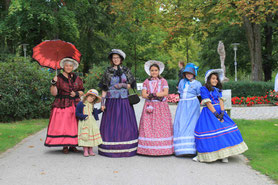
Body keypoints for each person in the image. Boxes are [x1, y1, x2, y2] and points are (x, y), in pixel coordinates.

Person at [194, 69, 248, 163]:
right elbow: (208, 103)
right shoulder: (204, 89)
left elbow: (221, 101)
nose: (215, 80)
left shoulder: (218, 89)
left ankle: (224, 154)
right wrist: (215, 114)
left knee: (225, 129)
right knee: (207, 131)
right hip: (209, 113)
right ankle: (205, 155)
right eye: (213, 78)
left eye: (216, 79)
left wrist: (222, 112)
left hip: (220, 112)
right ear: (208, 80)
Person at [98, 49, 138, 157]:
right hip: (112, 101)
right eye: (114, 58)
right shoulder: (108, 72)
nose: (115, 59)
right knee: (111, 124)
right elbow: (104, 89)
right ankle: (110, 147)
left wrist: (122, 85)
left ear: (121, 59)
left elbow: (131, 85)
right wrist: (102, 103)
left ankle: (127, 147)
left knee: (125, 123)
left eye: (117, 58)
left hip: (124, 100)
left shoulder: (126, 71)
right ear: (111, 59)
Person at [45, 58, 84, 154]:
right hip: (62, 103)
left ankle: (73, 145)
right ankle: (65, 145)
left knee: (75, 124)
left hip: (75, 103)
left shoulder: (77, 78)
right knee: (65, 124)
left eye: (70, 66)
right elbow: (54, 93)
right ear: (63, 67)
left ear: (73, 67)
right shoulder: (58, 78)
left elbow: (82, 91)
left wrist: (76, 93)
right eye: (66, 65)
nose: (68, 67)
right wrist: (53, 83)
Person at [137, 60, 174, 156]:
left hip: (161, 106)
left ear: (159, 71)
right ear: (149, 71)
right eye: (152, 70)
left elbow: (165, 93)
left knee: (161, 125)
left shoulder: (163, 81)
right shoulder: (146, 81)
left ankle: (163, 148)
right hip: (150, 105)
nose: (154, 72)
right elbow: (144, 95)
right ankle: (148, 148)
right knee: (148, 125)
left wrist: (154, 94)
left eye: (156, 70)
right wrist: (152, 95)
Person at [173, 63, 202, 156]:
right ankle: (180, 149)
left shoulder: (197, 84)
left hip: (192, 105)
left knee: (191, 124)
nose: (188, 75)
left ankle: (191, 149)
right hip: (182, 105)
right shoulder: (182, 82)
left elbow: (199, 97)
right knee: (181, 123)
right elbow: (180, 93)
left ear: (194, 74)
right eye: (186, 73)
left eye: (190, 73)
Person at [76, 89, 103, 157]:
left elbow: (95, 113)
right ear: (87, 96)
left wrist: (101, 110)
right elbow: (77, 113)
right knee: (85, 135)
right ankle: (85, 150)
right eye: (91, 97)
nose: (91, 99)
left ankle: (90, 150)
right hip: (84, 122)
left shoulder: (92, 105)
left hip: (91, 122)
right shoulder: (81, 104)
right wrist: (83, 116)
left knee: (91, 134)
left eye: (93, 98)